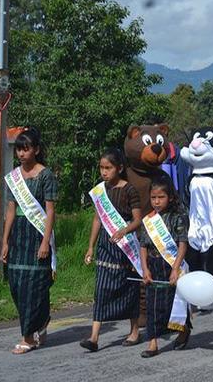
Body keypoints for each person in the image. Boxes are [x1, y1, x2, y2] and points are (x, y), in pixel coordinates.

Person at [2, 127, 58, 354]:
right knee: (16, 283)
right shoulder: (14, 177)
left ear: (36, 150)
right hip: (18, 235)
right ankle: (41, 321)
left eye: (26, 149)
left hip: (37, 233)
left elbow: (51, 211)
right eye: (19, 150)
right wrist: (4, 241)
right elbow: (10, 211)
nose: (22, 154)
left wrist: (46, 242)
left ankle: (28, 337)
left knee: (34, 286)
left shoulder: (46, 175)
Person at [80, 148, 142, 352]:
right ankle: (94, 337)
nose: (104, 172)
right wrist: (90, 247)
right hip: (106, 245)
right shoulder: (100, 191)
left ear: (120, 168)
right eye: (101, 168)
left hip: (125, 246)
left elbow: (137, 220)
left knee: (128, 287)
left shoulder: (129, 190)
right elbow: (98, 219)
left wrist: (124, 230)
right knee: (101, 288)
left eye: (108, 168)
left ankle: (134, 330)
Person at [139, 177, 191, 357]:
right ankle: (152, 343)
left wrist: (176, 268)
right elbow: (143, 246)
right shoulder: (149, 220)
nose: (156, 201)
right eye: (153, 198)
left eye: (161, 197)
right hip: (154, 265)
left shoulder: (178, 217)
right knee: (153, 305)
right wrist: (144, 269)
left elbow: (183, 243)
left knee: (174, 303)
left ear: (170, 197)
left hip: (172, 264)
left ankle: (183, 330)